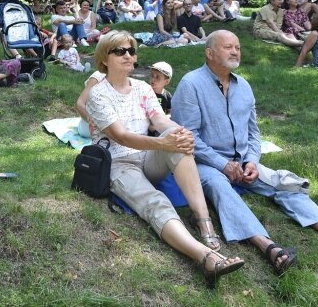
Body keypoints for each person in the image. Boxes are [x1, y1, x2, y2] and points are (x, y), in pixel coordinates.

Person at [172, 30, 318, 276]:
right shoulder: (191, 84)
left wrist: (252, 161)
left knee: (285, 184)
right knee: (220, 187)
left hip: (242, 161)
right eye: (228, 47)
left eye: (238, 47)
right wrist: (222, 164)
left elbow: (253, 133)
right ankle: (268, 246)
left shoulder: (244, 87)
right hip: (206, 164)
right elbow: (189, 138)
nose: (235, 52)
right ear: (209, 53)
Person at [84, 31, 244, 288]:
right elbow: (121, 136)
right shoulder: (98, 93)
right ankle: (206, 258)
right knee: (156, 201)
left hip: (148, 157)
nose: (128, 55)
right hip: (119, 163)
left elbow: (160, 121)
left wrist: (181, 134)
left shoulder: (143, 88)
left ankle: (204, 223)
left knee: (176, 137)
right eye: (120, 51)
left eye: (131, 51)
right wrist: (162, 142)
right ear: (105, 58)